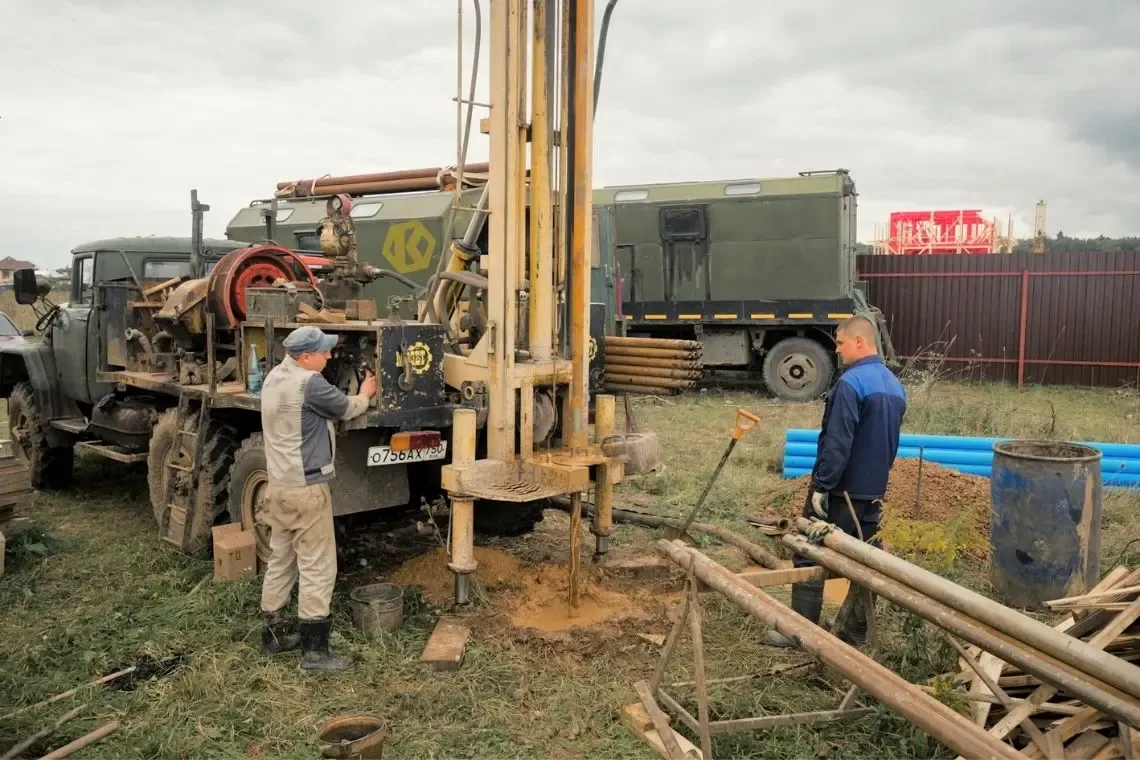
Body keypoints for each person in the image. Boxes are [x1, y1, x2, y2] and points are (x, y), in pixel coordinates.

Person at [765, 315, 906, 648]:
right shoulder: (893, 384)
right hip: (873, 491)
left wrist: (822, 487)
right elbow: (890, 444)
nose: (837, 350)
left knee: (807, 550)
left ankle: (799, 634)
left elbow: (838, 442)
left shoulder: (850, 383)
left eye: (841, 343)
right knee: (867, 557)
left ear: (860, 341)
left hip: (841, 489)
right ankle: (854, 630)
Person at [257, 325, 377, 672]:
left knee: (282, 557)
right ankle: (315, 653)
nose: (329, 357)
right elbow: (346, 408)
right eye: (323, 352)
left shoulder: (273, 378)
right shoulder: (309, 384)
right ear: (305, 356)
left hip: (278, 486)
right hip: (306, 490)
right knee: (318, 566)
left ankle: (274, 635)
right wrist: (367, 392)